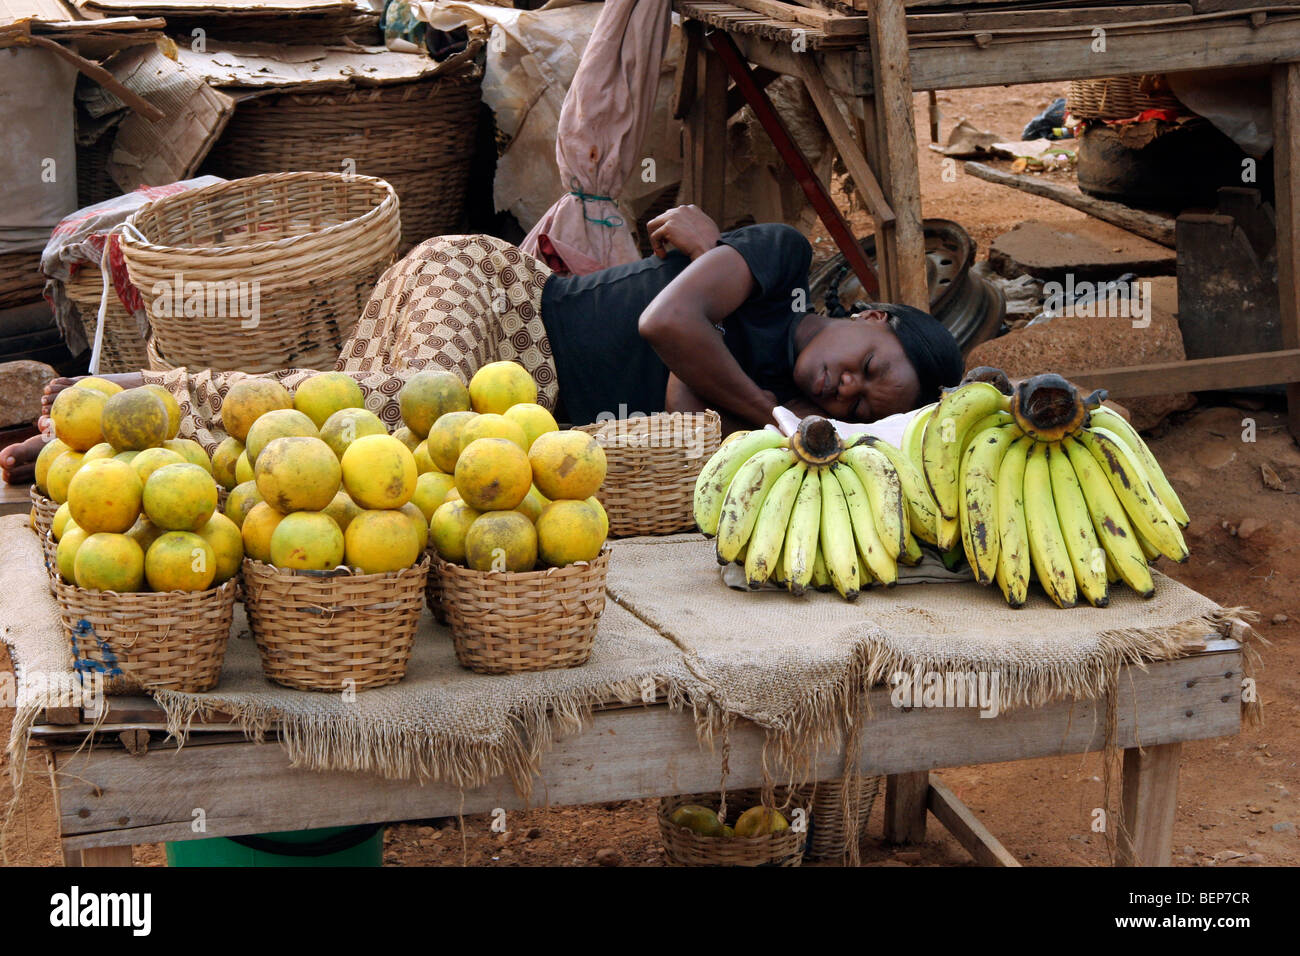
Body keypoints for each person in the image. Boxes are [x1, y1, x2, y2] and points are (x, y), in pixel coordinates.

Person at [1, 206, 962, 481]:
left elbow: (675, 394)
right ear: (871, 316)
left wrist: (741, 394)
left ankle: (106, 425)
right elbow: (665, 323)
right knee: (415, 395)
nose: (843, 391)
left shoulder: (757, 372)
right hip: (497, 295)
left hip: (518, 394)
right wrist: (773, 414)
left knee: (352, 434)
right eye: (868, 368)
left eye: (859, 408)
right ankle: (132, 392)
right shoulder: (783, 254)